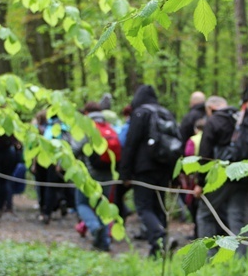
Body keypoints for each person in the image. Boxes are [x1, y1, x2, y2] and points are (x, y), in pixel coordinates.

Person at [194, 92, 248, 255]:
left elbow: (205, 154)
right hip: (242, 174)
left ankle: (205, 256)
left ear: (210, 108)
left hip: (222, 175)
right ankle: (240, 259)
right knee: (236, 216)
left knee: (205, 214)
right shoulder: (240, 118)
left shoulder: (214, 121)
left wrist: (200, 182)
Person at [120, 85, 179, 257]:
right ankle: (159, 249)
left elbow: (130, 144)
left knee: (144, 207)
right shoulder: (166, 113)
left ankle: (159, 237)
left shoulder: (141, 113)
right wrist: (174, 175)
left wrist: (125, 173)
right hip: (164, 168)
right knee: (159, 207)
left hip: (144, 169)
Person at [74, 102, 116, 252]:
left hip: (89, 175)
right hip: (108, 174)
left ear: (86, 113)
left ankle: (94, 227)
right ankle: (104, 243)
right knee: (102, 207)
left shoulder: (88, 127)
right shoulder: (109, 127)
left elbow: (76, 148)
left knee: (82, 203)